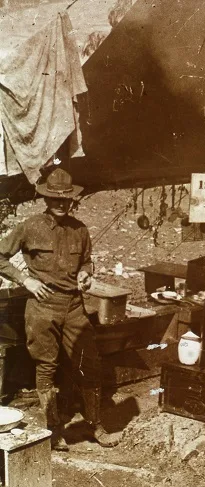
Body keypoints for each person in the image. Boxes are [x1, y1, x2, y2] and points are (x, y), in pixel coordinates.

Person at [0, 168, 120, 450]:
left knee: (89, 365)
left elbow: (87, 261)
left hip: (75, 306)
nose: (60, 203)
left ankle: (95, 426)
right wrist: (25, 279)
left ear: (72, 200)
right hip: (42, 305)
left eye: (65, 199)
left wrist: (86, 274)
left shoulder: (80, 230)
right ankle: (54, 431)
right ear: (46, 198)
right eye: (54, 198)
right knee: (46, 366)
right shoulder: (30, 227)